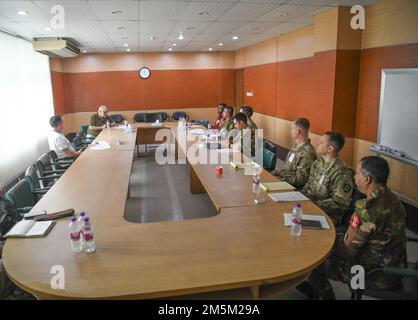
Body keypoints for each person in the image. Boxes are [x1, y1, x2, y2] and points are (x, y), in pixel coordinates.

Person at [300, 156, 407, 300]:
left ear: (367, 179)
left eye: (357, 174)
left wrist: (322, 243)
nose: (355, 177)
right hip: (397, 268)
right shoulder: (392, 199)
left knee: (313, 262)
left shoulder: (367, 209)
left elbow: (347, 251)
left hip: (372, 275)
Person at [301, 131, 353, 225]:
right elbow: (308, 185)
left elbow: (340, 202)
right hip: (309, 205)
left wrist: (313, 204)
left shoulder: (341, 172)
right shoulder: (318, 163)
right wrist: (299, 197)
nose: (317, 144)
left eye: (321, 143)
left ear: (330, 148)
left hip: (326, 214)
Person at [272, 118, 317, 189]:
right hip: (283, 181)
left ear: (297, 131)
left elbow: (300, 181)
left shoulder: (307, 153)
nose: (291, 131)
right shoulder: (296, 146)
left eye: (292, 128)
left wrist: (280, 174)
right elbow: (288, 168)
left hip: (292, 188)